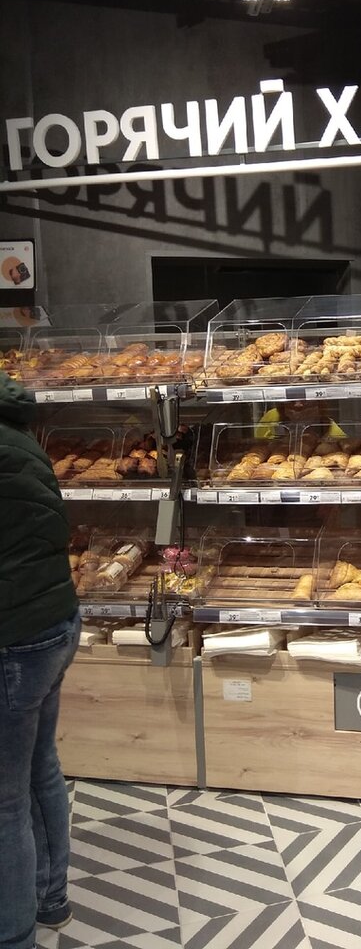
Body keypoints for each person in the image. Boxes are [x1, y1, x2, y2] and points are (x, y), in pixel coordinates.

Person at [0, 371, 80, 948]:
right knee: (37, 769)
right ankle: (50, 897)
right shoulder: (16, 430)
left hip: (13, 638)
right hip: (53, 623)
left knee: (4, 802)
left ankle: (14, 935)